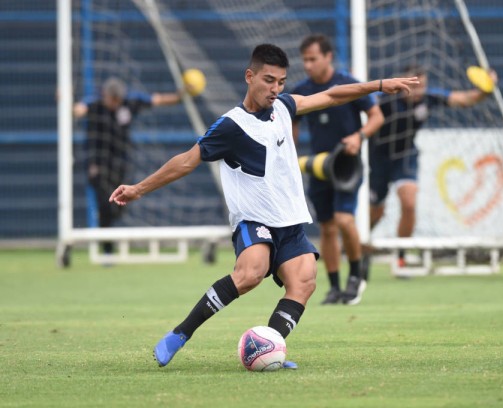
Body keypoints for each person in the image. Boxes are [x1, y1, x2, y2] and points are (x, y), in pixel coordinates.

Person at [109, 44, 419, 368]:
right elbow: (187, 161)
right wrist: (138, 189)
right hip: (253, 220)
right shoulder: (231, 125)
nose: (275, 89)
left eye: (281, 82)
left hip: (290, 222)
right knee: (251, 273)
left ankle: (269, 347)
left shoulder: (284, 107)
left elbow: (333, 95)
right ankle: (180, 333)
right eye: (269, 80)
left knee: (305, 281)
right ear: (249, 76)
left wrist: (380, 85)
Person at [368, 64, 497, 268]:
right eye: (415, 86)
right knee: (375, 211)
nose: (419, 91)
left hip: (406, 155)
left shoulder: (429, 97)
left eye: (423, 86)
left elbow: (463, 100)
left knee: (409, 203)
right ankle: (360, 244)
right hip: (378, 158)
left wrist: (486, 89)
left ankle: (401, 255)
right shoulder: (385, 99)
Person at [291, 34, 384, 306]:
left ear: (328, 57)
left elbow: (377, 116)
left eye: (313, 59)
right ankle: (334, 287)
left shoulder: (348, 84)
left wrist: (359, 137)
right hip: (320, 168)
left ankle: (355, 276)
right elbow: (290, 120)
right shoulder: (302, 89)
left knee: (345, 220)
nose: (308, 65)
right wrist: (290, 152)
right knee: (328, 229)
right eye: (304, 60)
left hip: (346, 166)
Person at [73, 77, 184, 254]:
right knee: (105, 203)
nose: (115, 104)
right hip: (97, 164)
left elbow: (158, 99)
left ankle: (106, 236)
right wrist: (67, 102)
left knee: (119, 204)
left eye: (118, 100)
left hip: (120, 162)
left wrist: (181, 95)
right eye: (112, 100)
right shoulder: (94, 104)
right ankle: (107, 249)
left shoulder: (129, 102)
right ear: (105, 95)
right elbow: (78, 110)